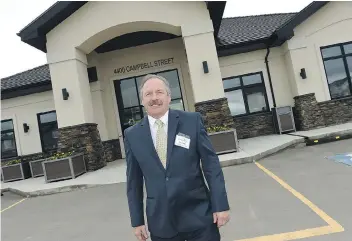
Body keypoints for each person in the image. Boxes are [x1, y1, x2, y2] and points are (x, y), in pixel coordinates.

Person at [124, 74, 230, 241]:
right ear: (142, 101)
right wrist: (137, 221)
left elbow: (211, 166)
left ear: (168, 96)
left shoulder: (191, 121)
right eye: (148, 94)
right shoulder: (132, 135)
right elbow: (133, 183)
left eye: (159, 92)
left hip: (199, 216)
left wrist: (221, 205)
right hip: (161, 223)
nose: (154, 98)